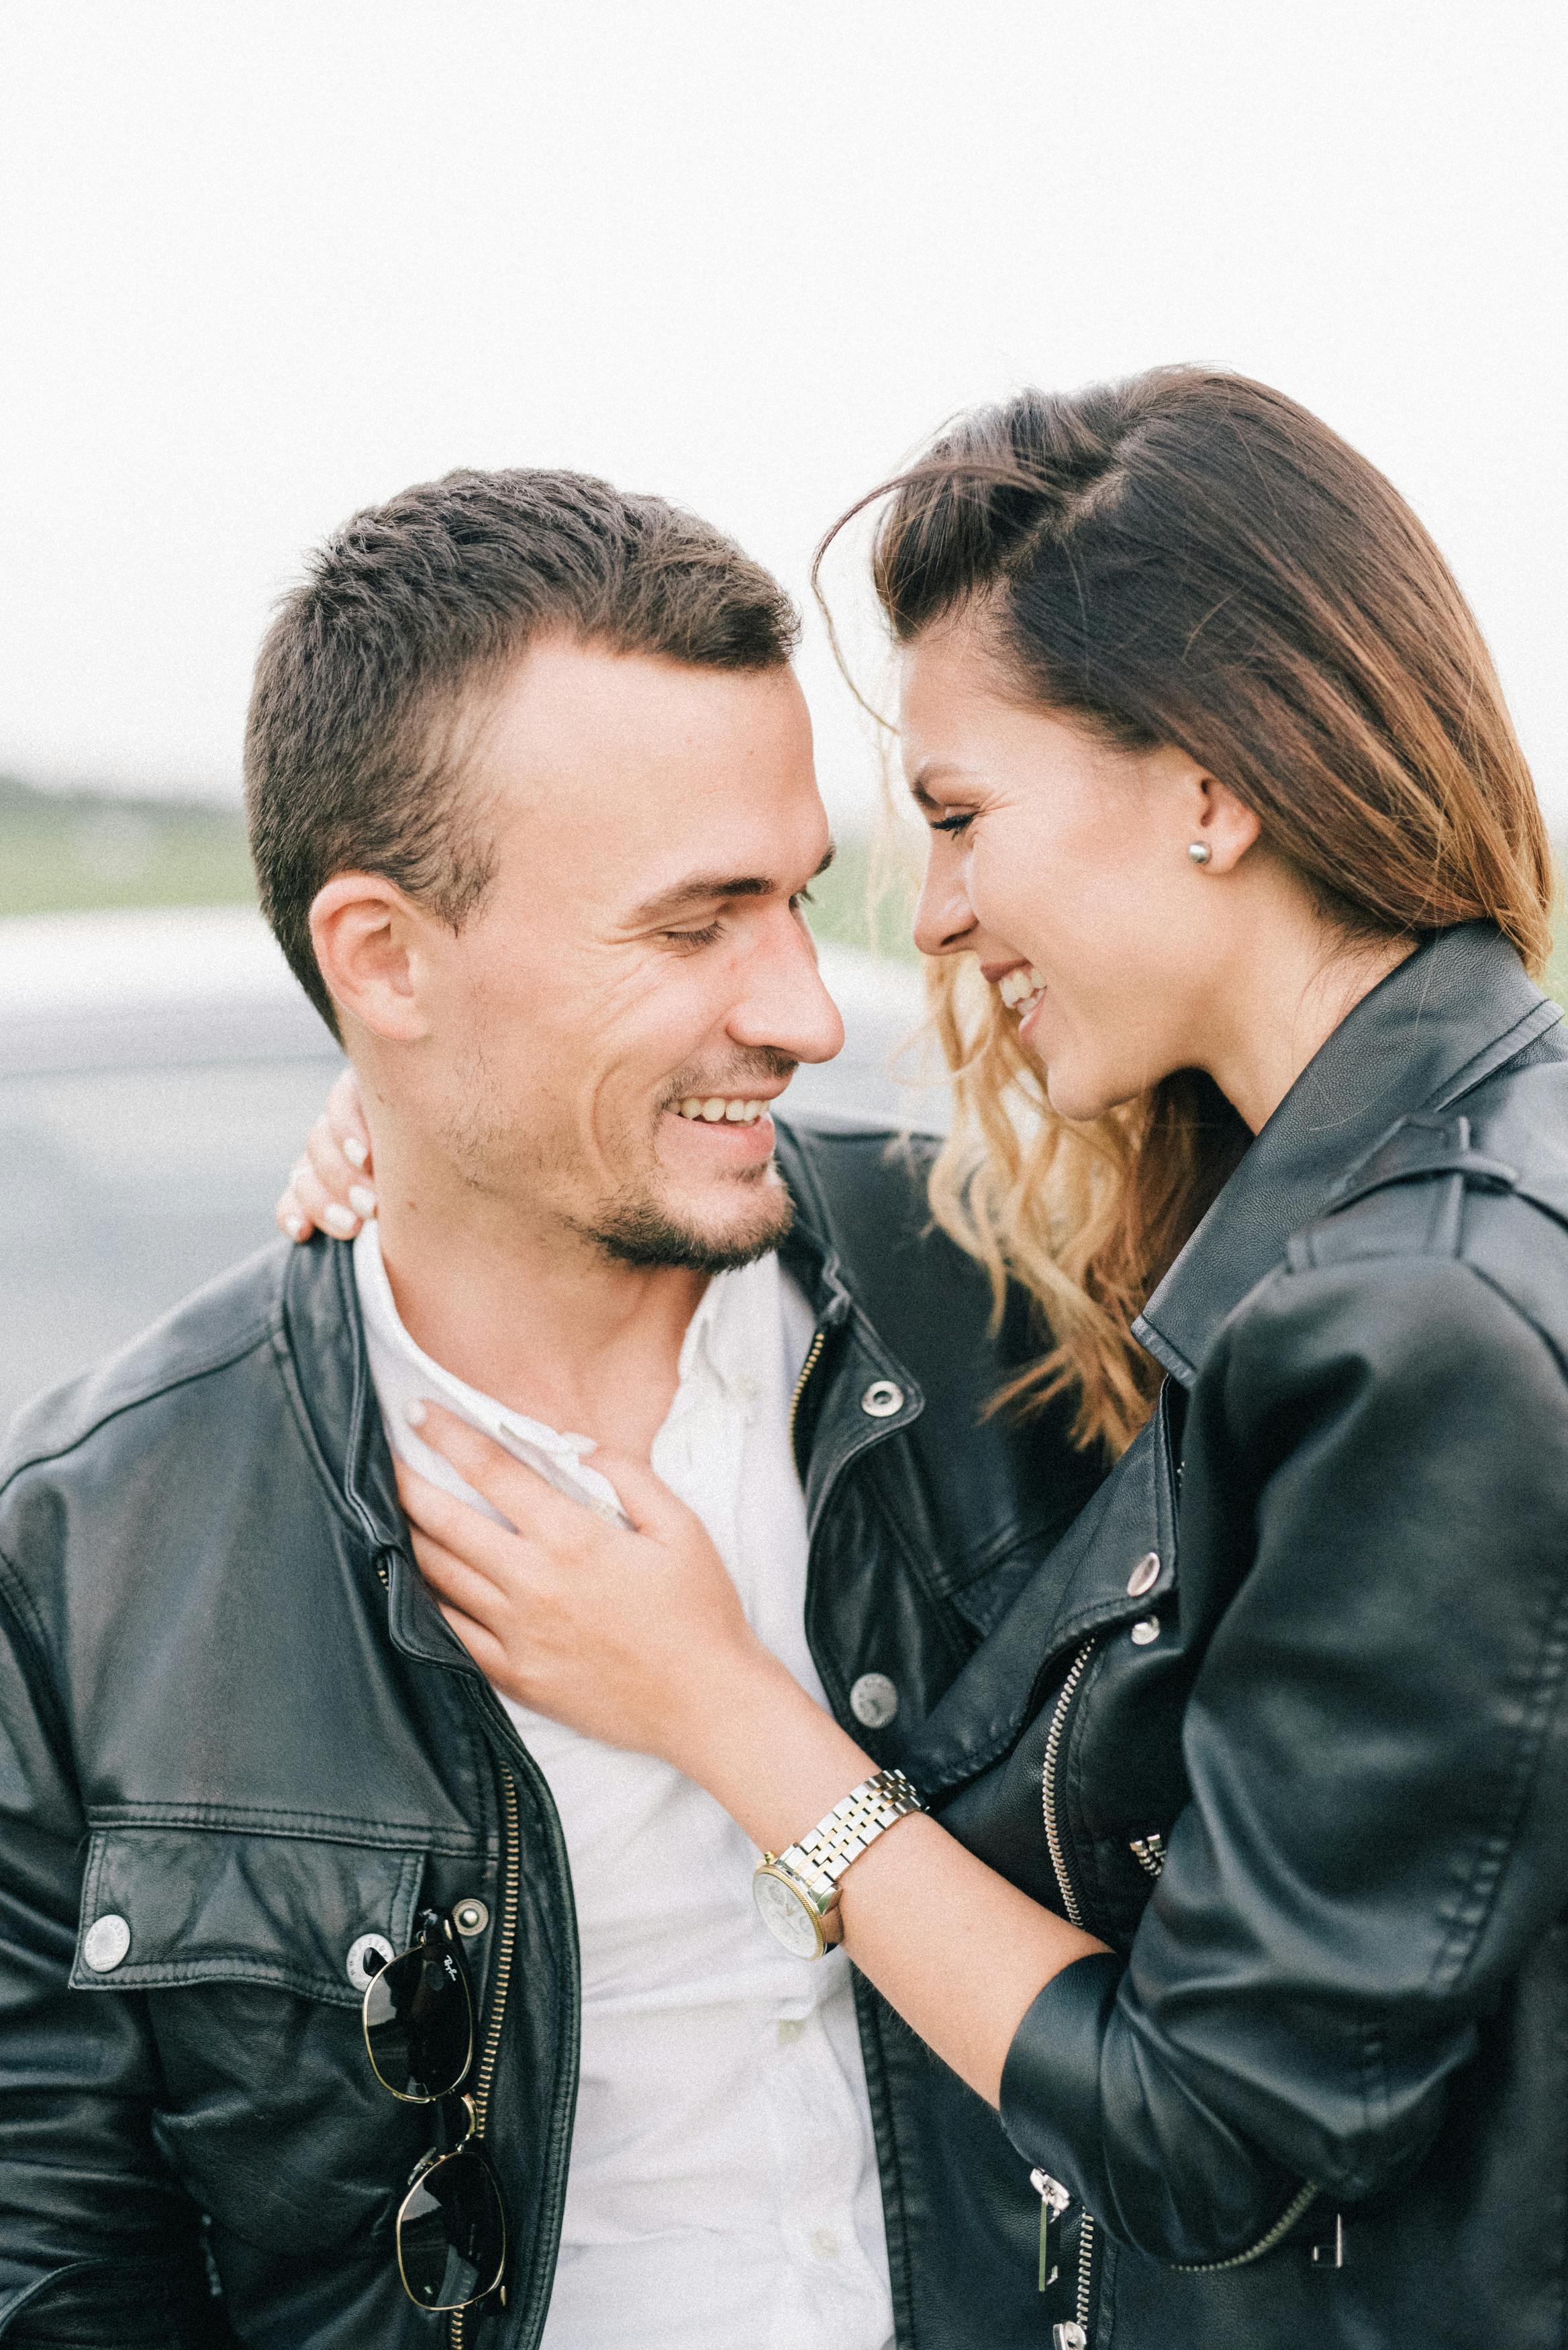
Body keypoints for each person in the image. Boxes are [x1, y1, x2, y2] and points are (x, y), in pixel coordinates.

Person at [356, 371, 1568, 2350]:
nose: (931, 914)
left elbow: (1209, 2136)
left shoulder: (1422, 1327)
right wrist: (419, 1152)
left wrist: (723, 1709)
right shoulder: (1380, 1193)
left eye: (956, 814)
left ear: (1208, 783)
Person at [0, 471, 1102, 2346]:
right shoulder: (96, 1554)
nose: (805, 1009)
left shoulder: (1047, 1328)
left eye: (797, 899)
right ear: (382, 960)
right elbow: (68, 2274)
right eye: (694, 928)